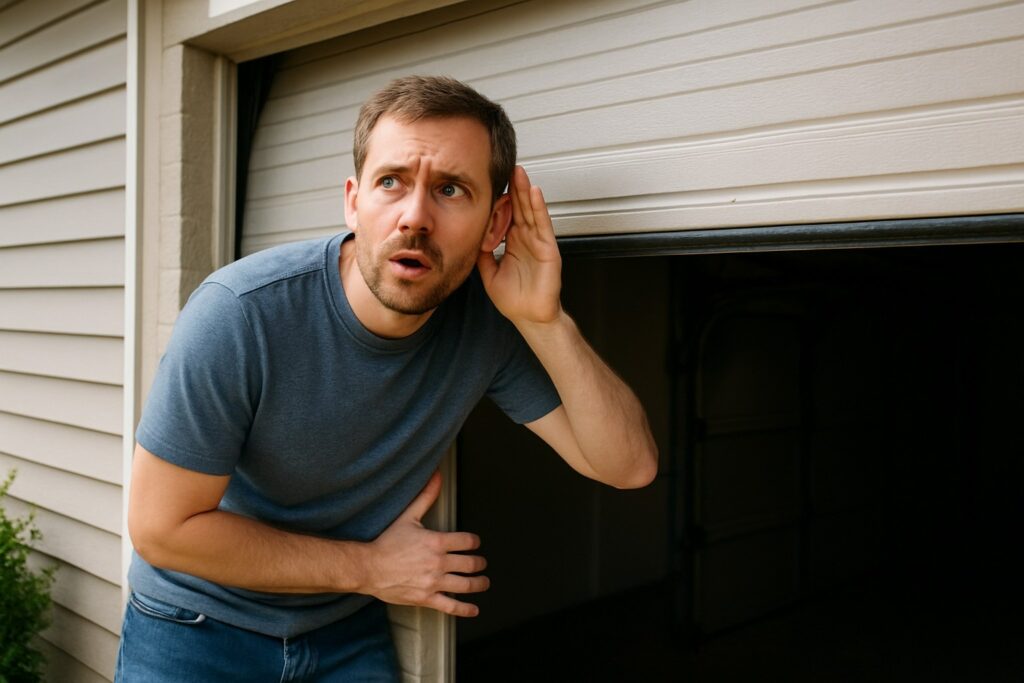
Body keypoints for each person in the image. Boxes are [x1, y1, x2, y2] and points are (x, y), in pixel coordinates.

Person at [116, 75, 657, 681]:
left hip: (341, 630)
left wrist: (546, 320)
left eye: (451, 190)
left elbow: (627, 466)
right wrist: (371, 570)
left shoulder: (489, 325)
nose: (415, 218)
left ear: (495, 220)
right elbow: (162, 531)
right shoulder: (240, 313)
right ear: (354, 200)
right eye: (391, 182)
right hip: (196, 626)